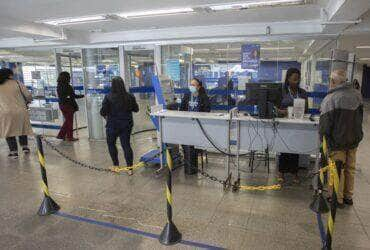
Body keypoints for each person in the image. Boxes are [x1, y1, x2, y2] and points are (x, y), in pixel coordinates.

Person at [320, 69, 363, 208]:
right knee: (350, 168)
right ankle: (348, 197)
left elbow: (325, 124)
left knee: (337, 169)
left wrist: (323, 140)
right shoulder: (357, 95)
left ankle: (336, 198)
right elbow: (360, 117)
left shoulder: (331, 98)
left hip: (337, 141)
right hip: (354, 139)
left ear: (333, 82)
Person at [100, 76, 139, 174]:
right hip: (126, 125)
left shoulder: (108, 97)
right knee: (126, 145)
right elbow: (136, 109)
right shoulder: (130, 96)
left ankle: (116, 165)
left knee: (111, 144)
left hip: (112, 125)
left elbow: (103, 112)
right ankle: (129, 169)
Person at [278, 68, 308, 183]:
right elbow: (276, 107)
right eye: (294, 78)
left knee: (295, 148)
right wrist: (283, 112)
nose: (297, 81)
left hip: (298, 124)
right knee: (283, 148)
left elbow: (306, 109)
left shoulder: (302, 93)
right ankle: (281, 172)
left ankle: (295, 173)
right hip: (284, 124)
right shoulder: (282, 91)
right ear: (288, 78)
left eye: (298, 79)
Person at [0, 68, 33, 159]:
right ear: (9, 75)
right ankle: (25, 147)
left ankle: (14, 152)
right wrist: (28, 101)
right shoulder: (18, 83)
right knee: (22, 128)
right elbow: (28, 96)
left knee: (9, 131)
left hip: (5, 112)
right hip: (20, 111)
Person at [180, 78, 211, 175]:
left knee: (194, 145)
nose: (191, 87)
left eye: (194, 85)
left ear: (199, 87)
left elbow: (207, 110)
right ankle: (189, 159)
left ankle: (194, 157)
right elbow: (182, 109)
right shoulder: (186, 96)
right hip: (187, 125)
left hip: (199, 125)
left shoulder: (203, 96)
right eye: (191, 85)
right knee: (186, 143)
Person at [56, 72, 84, 141]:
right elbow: (73, 96)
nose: (70, 78)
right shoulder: (68, 86)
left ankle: (61, 135)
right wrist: (82, 95)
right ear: (66, 78)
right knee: (69, 122)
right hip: (68, 106)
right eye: (69, 76)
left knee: (67, 121)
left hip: (62, 105)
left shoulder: (59, 86)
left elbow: (64, 97)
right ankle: (69, 137)